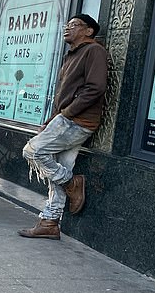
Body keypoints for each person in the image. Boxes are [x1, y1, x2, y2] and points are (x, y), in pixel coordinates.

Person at [17, 14, 107, 240]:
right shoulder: (72, 55)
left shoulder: (93, 51)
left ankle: (72, 182)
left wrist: (66, 114)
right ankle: (50, 222)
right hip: (65, 118)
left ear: (89, 31)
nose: (67, 28)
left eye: (74, 25)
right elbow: (64, 95)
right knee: (57, 168)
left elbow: (95, 88)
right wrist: (52, 118)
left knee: (33, 151)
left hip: (77, 120)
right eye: (66, 25)